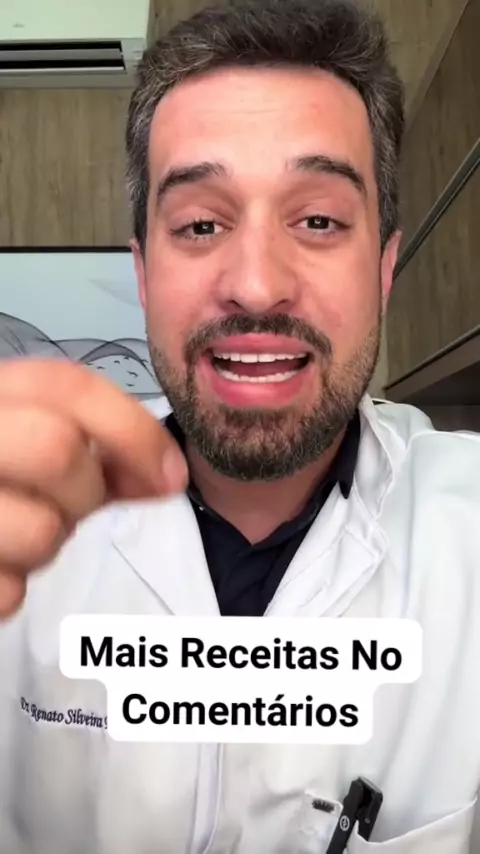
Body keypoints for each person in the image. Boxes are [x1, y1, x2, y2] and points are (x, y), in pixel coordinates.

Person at [0, 0, 479, 851]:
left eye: (319, 220)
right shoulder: (26, 540)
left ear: (384, 268)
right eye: (201, 225)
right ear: (144, 273)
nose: (256, 285)